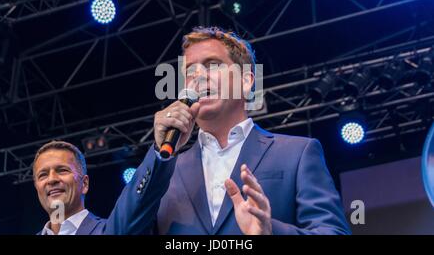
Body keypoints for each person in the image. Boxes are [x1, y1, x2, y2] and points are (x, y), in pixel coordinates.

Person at [138, 26, 351, 234]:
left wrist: (271, 230)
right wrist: (158, 154)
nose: (198, 76)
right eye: (190, 71)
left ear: (246, 81)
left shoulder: (298, 153)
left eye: (212, 65)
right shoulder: (165, 170)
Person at [32, 140, 175, 235]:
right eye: (43, 175)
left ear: (85, 184)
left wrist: (162, 147)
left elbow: (137, 201)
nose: (51, 179)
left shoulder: (109, 231)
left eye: (62, 170)